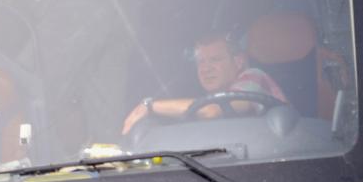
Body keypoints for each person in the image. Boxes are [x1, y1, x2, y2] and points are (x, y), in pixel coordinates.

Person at [121, 32, 287, 134]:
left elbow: (213, 110)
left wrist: (149, 106)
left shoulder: (253, 77)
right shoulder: (209, 94)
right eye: (201, 62)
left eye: (215, 60)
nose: (205, 69)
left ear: (238, 62)